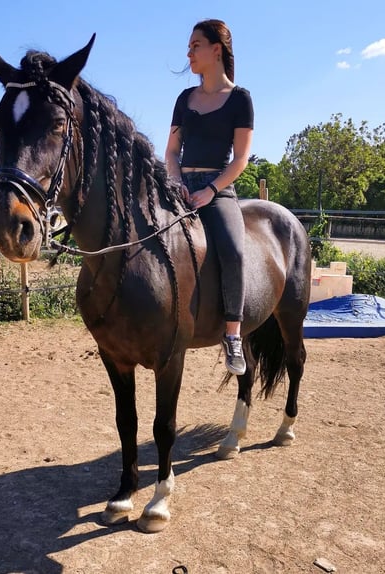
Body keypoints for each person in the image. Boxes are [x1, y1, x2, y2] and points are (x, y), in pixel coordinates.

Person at [165, 19, 253, 376]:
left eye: (195, 45)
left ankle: (232, 333)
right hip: (180, 187)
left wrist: (210, 190)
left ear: (216, 49)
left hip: (218, 190)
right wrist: (176, 183)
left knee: (233, 250)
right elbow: (171, 151)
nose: (189, 53)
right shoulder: (184, 99)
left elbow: (241, 159)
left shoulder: (240, 99)